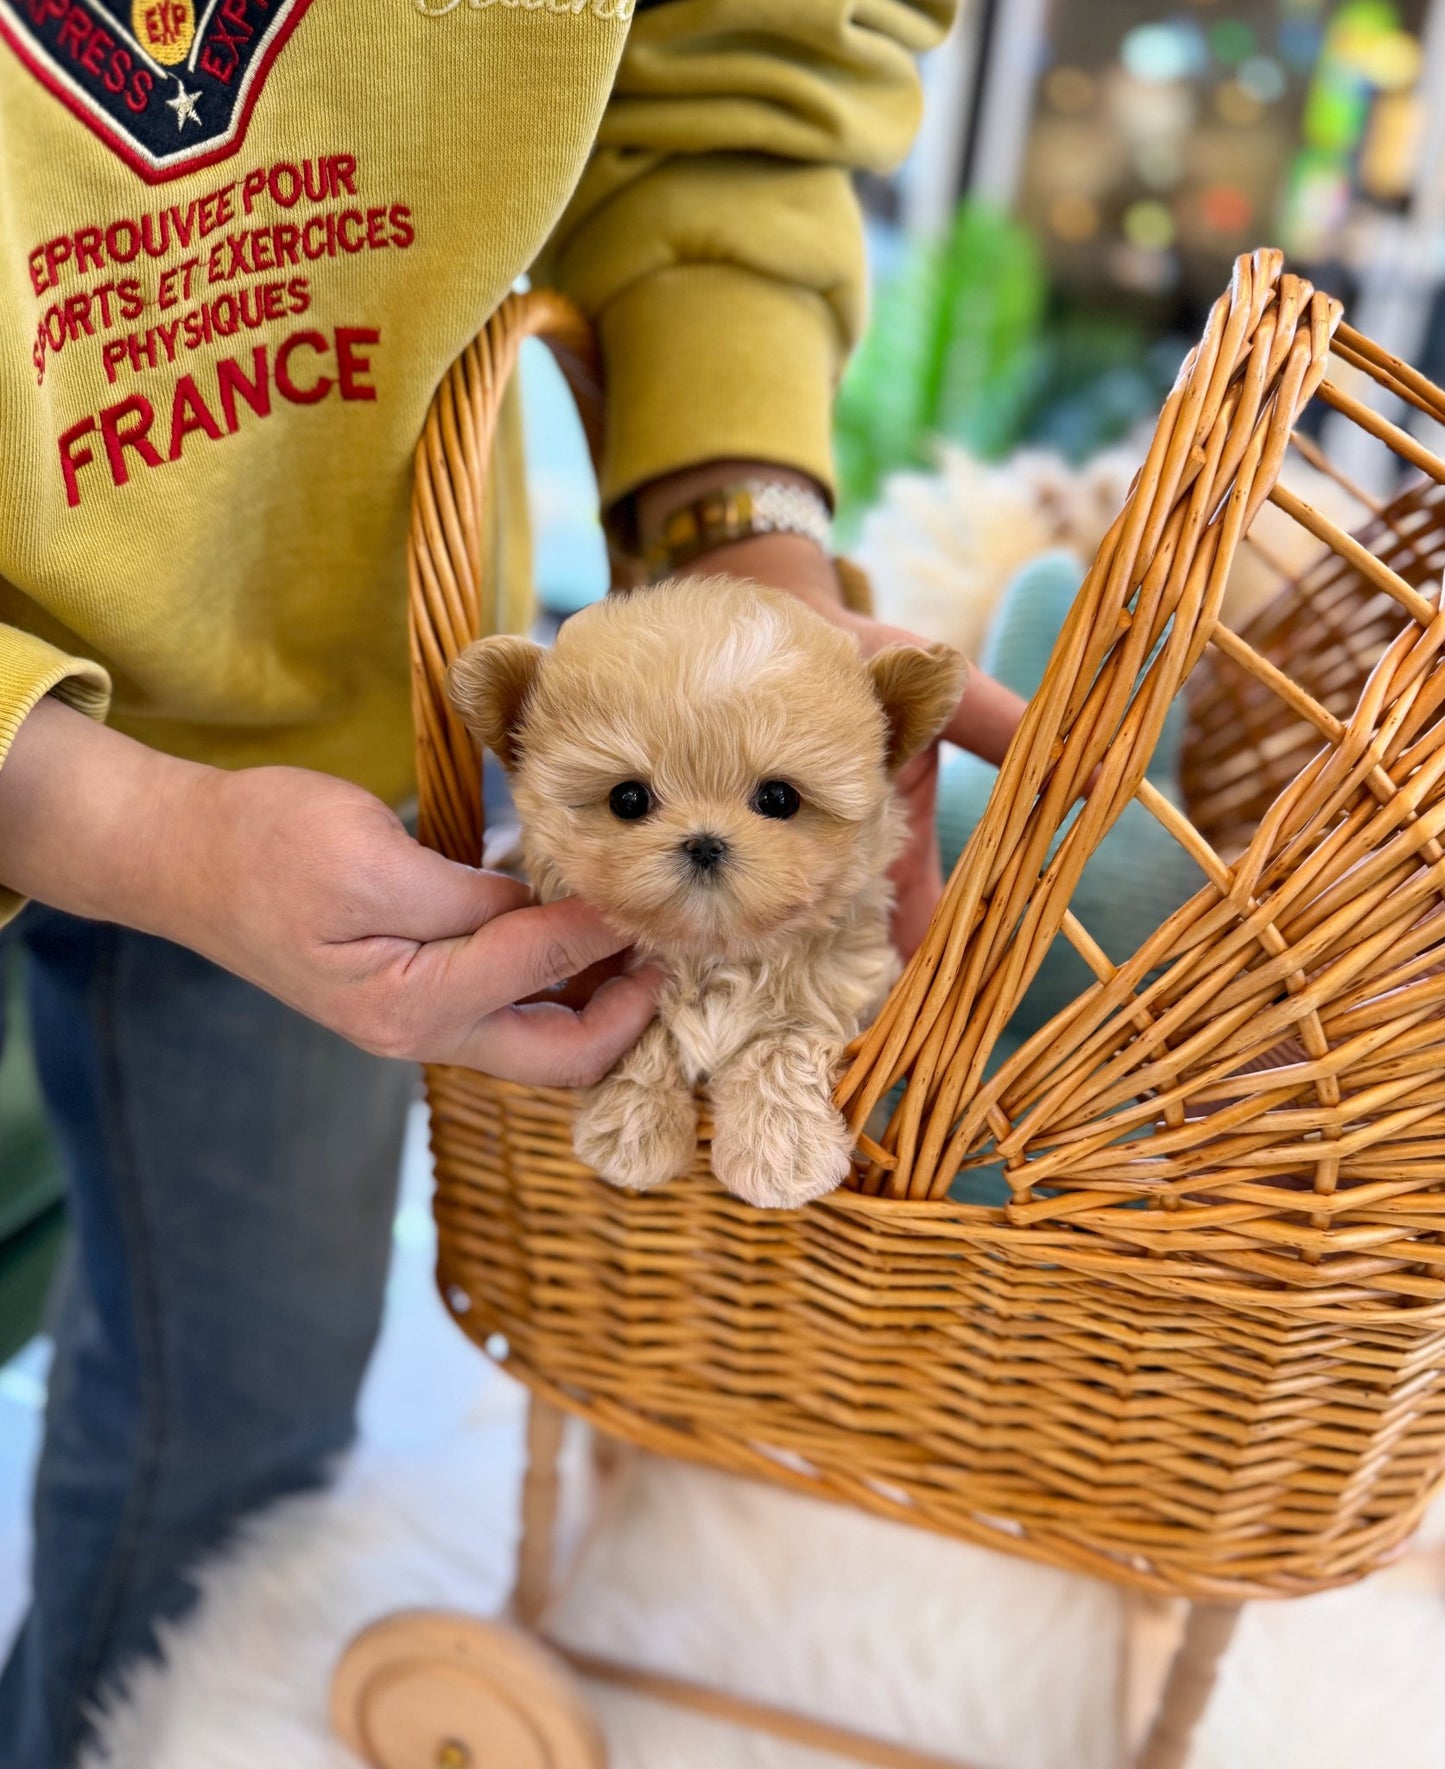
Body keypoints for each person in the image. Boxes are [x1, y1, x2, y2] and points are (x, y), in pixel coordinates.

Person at [0, 4, 1023, 1762]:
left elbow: (736, 79)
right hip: (294, 745)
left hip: (325, 712)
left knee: (232, 1419)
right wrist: (129, 828)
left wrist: (742, 527)